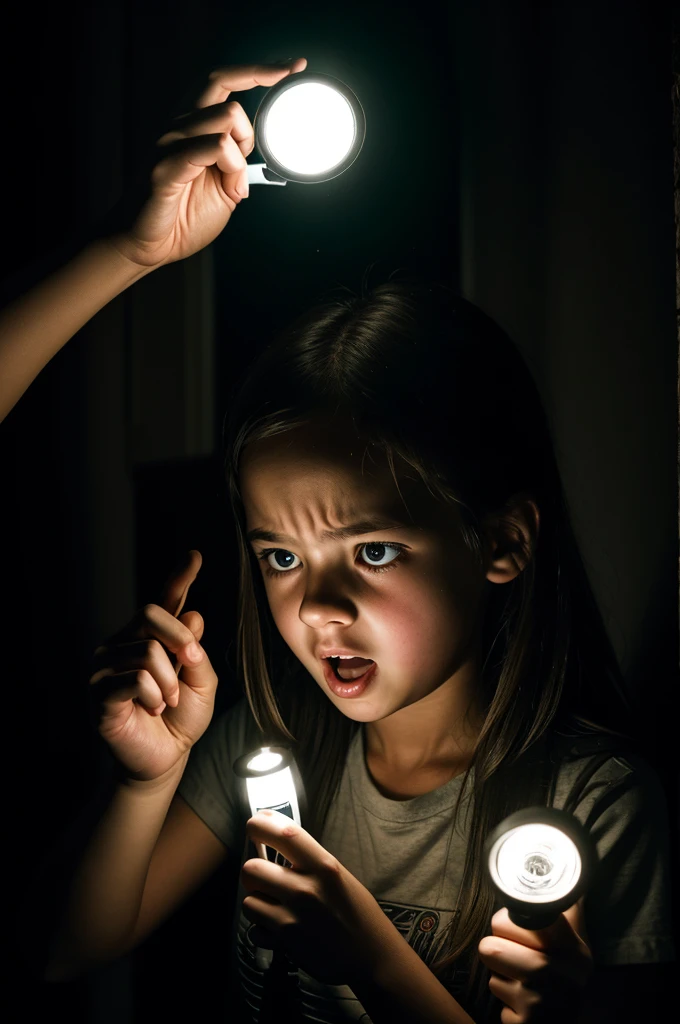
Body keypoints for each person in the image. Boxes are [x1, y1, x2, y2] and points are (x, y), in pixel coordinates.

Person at [4, 57, 675, 1024]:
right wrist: (145, 779)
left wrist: (370, 954)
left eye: (371, 551)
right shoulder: (270, 750)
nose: (316, 606)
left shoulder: (598, 807)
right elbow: (63, 950)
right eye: (280, 556)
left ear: (503, 542)